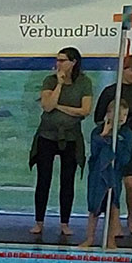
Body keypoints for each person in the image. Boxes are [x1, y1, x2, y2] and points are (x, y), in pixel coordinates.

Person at [81, 53, 132, 246]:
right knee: (107, 188)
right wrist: (108, 130)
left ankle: (130, 216)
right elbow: (98, 118)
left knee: (131, 182)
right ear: (122, 69)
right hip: (111, 137)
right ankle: (112, 226)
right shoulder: (109, 92)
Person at [32, 47, 92, 241]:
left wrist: (59, 107)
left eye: (63, 60)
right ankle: (39, 221)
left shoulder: (84, 82)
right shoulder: (50, 80)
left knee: (67, 180)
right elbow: (47, 106)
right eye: (57, 60)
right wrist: (58, 85)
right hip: (47, 135)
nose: (59, 64)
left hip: (71, 136)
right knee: (44, 179)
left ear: (73, 62)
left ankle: (64, 222)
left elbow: (85, 111)